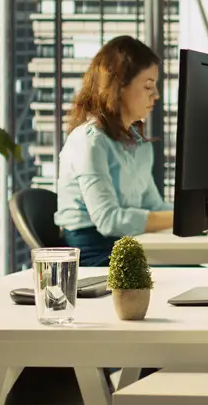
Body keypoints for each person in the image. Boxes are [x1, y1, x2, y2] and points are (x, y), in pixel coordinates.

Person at [56, 36, 174, 266]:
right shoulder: (89, 141)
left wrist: (202, 214)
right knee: (194, 276)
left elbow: (154, 207)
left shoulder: (139, 144)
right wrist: (181, 218)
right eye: (148, 86)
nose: (156, 95)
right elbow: (108, 220)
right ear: (119, 87)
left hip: (127, 245)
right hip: (91, 252)